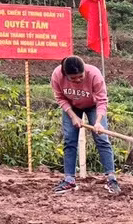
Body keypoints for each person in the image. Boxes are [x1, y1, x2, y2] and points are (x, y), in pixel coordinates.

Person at [50, 56, 119, 195]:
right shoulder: (57, 75)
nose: (78, 80)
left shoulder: (94, 74)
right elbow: (60, 98)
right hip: (71, 106)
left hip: (93, 106)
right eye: (73, 78)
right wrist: (73, 116)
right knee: (69, 140)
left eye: (80, 76)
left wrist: (98, 122)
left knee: (102, 139)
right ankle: (69, 180)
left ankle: (111, 179)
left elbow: (102, 100)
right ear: (65, 75)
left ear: (84, 71)